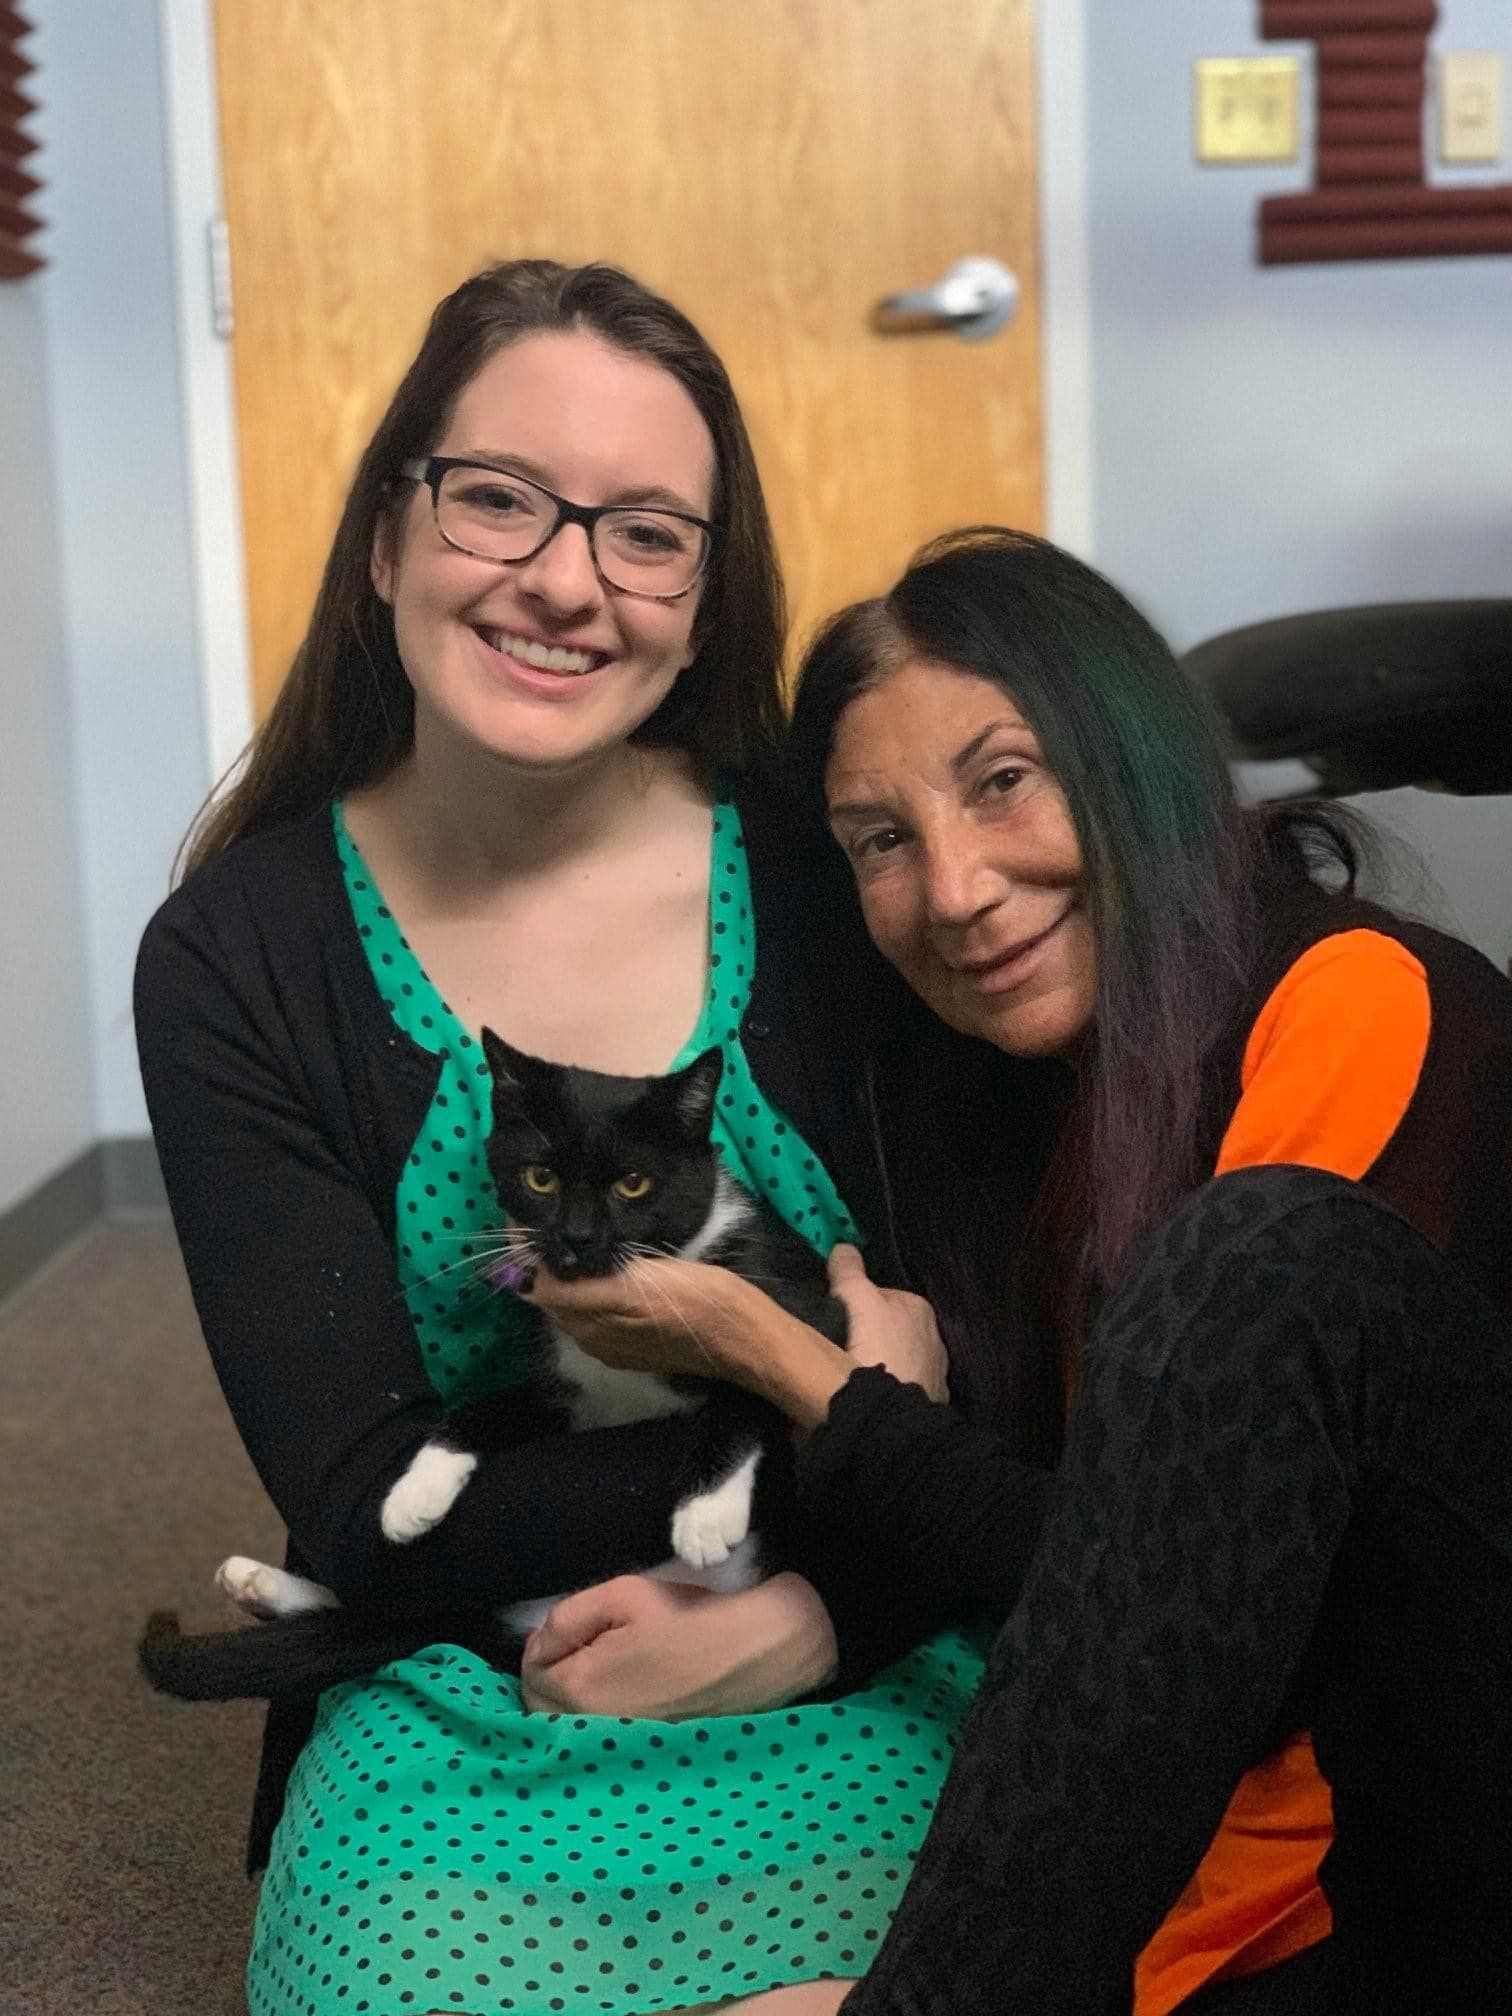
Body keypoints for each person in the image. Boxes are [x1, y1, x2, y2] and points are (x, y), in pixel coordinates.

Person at [134, 260, 980, 2016]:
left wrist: (830, 1600)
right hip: (477, 1684)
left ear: (700, 597)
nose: (566, 580)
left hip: (876, 1614)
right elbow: (369, 1511)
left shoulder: (834, 868)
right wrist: (841, 1433)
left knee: (1044, 1944)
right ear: (387, 538)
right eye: (499, 498)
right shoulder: (240, 956)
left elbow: (1011, 1340)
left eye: (648, 532)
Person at [523, 528, 1512, 2014]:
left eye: (1003, 781)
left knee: (1250, 1256)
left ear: (1133, 761)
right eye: (881, 840)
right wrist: (818, 1614)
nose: (960, 888)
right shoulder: (1001, 1089)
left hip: (1409, 1823)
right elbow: (1084, 1542)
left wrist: (797, 1373)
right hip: (1226, 1851)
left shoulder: (1360, 1007)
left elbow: (1215, 1637)